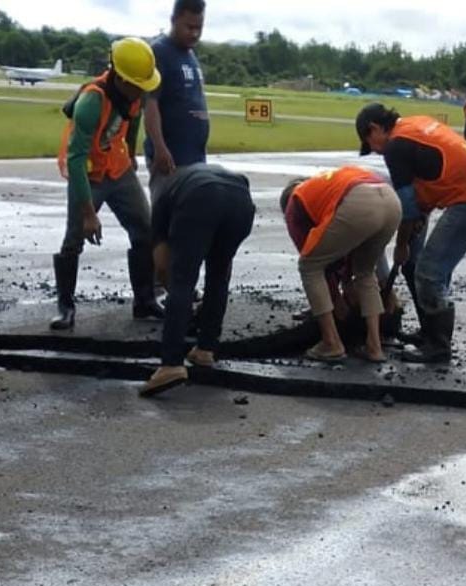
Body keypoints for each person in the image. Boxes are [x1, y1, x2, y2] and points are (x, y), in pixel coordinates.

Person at [356, 103, 466, 364]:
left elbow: (408, 209)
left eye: (371, 144)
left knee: (429, 271)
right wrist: (412, 240)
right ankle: (430, 331)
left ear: (374, 129)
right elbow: (428, 184)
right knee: (416, 265)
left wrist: (402, 245)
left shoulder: (395, 146)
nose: (376, 153)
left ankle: (438, 347)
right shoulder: (414, 125)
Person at [50, 37, 164, 331]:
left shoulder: (135, 94)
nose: (142, 90)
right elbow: (75, 159)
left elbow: (133, 117)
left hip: (119, 169)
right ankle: (66, 307)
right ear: (121, 78)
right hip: (87, 174)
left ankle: (145, 300)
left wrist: (130, 150)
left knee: (145, 229)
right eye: (137, 84)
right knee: (73, 239)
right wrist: (89, 214)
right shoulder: (91, 101)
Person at [139, 163, 255, 397]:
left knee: (183, 280)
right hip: (242, 203)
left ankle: (171, 364)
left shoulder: (162, 201)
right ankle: (205, 349)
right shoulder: (191, 178)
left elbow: (163, 267)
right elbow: (223, 268)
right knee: (219, 275)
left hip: (201, 198)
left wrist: (179, 304)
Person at [280, 167, 402, 363]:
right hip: (390, 200)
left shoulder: (295, 204)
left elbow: (316, 261)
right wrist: (345, 283)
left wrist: (336, 299)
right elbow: (345, 248)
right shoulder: (324, 188)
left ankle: (331, 343)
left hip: (359, 202)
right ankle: (374, 346)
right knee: (365, 272)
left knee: (309, 266)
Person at [144, 0, 208, 188]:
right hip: (170, 159)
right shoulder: (159, 52)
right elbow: (150, 103)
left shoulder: (190, 54)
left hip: (194, 158)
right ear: (174, 20)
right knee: (168, 214)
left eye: (199, 28)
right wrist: (159, 148)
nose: (195, 33)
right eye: (189, 27)